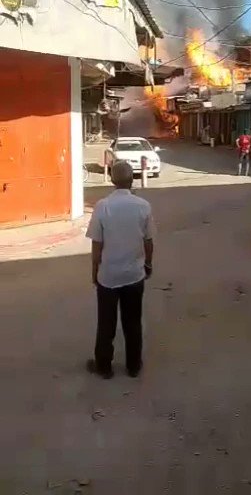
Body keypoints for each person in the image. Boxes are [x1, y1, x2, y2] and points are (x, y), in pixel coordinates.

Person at [86, 160, 154, 379]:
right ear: (132, 178)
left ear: (113, 180)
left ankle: (104, 366)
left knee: (106, 322)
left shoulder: (102, 206)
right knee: (133, 321)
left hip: (109, 275)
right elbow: (149, 241)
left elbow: (97, 244)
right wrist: (148, 264)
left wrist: (94, 270)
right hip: (134, 275)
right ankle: (134, 366)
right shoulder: (143, 206)